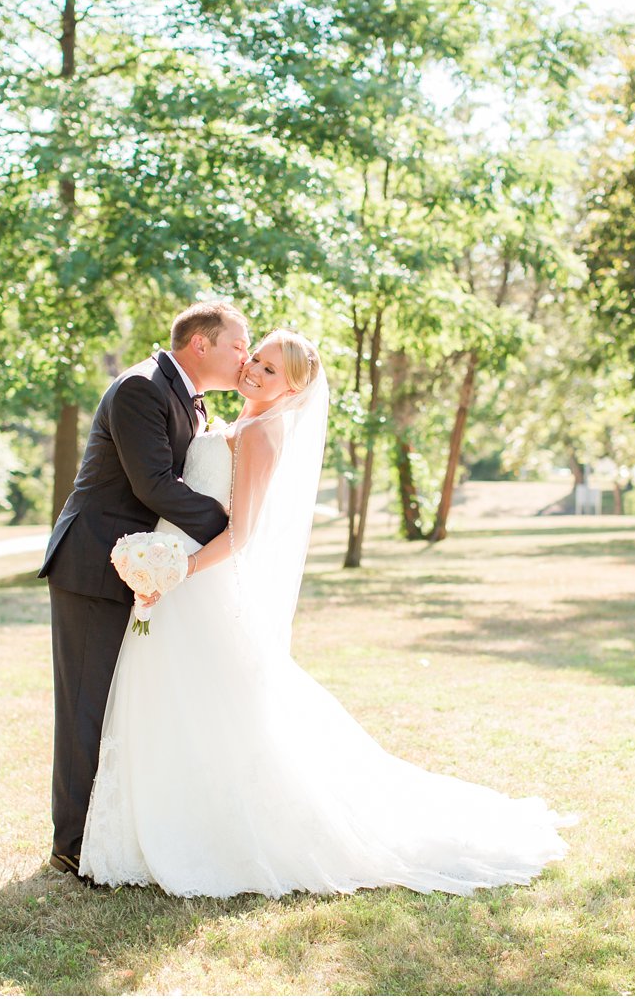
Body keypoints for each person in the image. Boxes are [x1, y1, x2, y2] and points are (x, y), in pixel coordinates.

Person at [80, 329, 571, 897]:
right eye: (255, 359)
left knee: (216, 711)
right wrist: (158, 568)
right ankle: (151, 830)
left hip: (198, 581)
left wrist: (178, 571)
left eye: (270, 371)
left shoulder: (263, 433)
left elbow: (242, 535)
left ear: (292, 388)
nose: (255, 372)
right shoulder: (226, 423)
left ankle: (212, 834)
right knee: (168, 702)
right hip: (169, 581)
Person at [39, 301, 250, 879]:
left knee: (124, 704)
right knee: (86, 705)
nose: (246, 356)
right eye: (238, 344)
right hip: (92, 567)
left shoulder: (188, 398)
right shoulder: (141, 389)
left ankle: (115, 832)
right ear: (201, 345)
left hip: (142, 569)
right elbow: (155, 484)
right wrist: (234, 534)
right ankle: (74, 846)